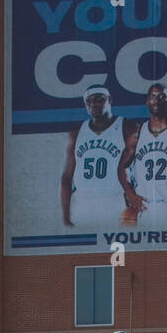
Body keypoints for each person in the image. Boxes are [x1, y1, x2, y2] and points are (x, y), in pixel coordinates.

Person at [118, 84, 167, 226]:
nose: (157, 100)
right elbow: (121, 167)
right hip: (148, 207)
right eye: (153, 97)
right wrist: (130, 193)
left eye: (162, 97)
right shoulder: (137, 135)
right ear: (147, 102)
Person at [61, 87, 137, 228]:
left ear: (110, 100)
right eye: (88, 101)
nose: (93, 104)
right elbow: (67, 177)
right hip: (83, 203)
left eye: (99, 99)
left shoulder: (128, 127)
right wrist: (65, 217)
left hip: (116, 200)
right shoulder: (76, 134)